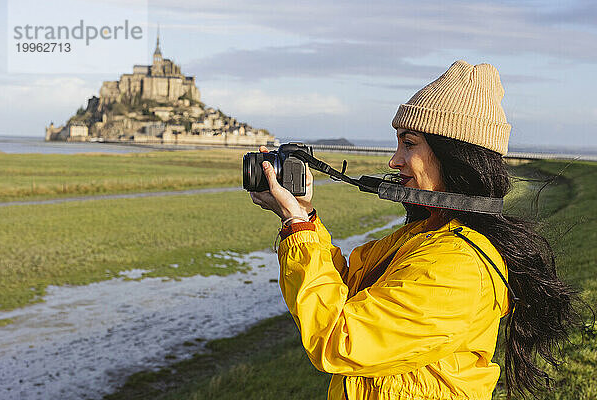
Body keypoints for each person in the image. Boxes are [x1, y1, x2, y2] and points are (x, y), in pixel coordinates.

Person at [249, 60, 582, 400]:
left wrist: (298, 228)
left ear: (455, 155)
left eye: (409, 144)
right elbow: (348, 292)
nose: (394, 161)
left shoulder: (458, 267)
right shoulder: (427, 234)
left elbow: (339, 340)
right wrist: (303, 217)